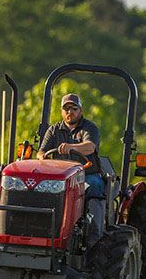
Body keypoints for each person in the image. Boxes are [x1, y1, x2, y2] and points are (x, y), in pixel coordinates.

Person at [39, 92, 107, 234]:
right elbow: (41, 152)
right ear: (62, 111)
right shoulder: (53, 130)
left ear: (80, 110)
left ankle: (92, 229)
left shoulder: (89, 128)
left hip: (86, 174)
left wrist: (71, 147)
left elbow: (90, 147)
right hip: (60, 177)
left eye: (74, 108)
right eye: (66, 109)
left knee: (94, 185)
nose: (70, 112)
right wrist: (43, 160)